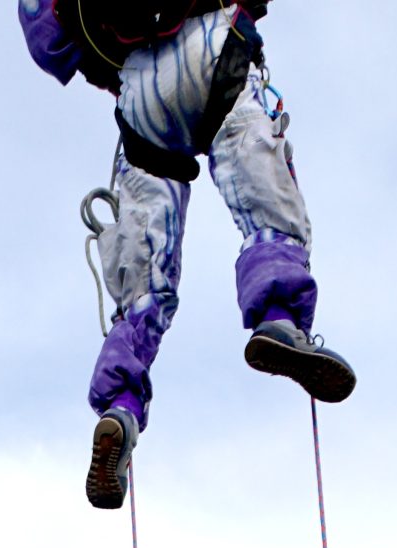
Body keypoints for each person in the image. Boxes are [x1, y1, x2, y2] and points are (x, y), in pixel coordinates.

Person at [18, 3, 356, 508]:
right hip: (211, 47)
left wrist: (112, 64)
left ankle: (121, 405)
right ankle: (279, 318)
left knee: (145, 278)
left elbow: (48, 41)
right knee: (263, 195)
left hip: (139, 95)